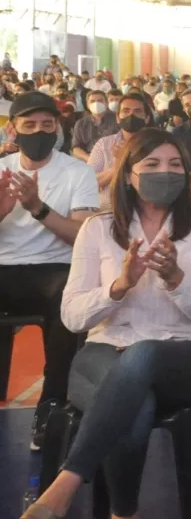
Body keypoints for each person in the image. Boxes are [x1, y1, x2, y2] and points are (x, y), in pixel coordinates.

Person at [24, 129, 191, 519]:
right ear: (129, 174)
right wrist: (119, 287)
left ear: (187, 174)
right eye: (151, 164)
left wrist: (176, 279)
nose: (164, 172)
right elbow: (71, 315)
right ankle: (123, 514)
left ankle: (66, 484)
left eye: (174, 165)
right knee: (136, 404)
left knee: (145, 352)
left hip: (185, 355)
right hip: (104, 351)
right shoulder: (97, 228)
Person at [0, 92, 99, 450]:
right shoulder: (1, 169)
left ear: (57, 127)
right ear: (14, 129)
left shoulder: (78, 172)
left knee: (68, 299)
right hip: (5, 268)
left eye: (46, 125)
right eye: (30, 125)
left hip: (56, 268)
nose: (39, 132)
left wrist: (37, 207)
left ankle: (53, 404)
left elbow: (83, 237)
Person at [88, 92, 152, 210]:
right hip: (108, 211)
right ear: (118, 118)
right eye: (126, 111)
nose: (131, 115)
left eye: (137, 111)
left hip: (145, 211)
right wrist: (118, 165)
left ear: (147, 118)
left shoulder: (156, 145)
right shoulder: (104, 144)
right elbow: (89, 183)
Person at [71, 88, 118, 164]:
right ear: (88, 105)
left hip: (112, 160)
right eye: (92, 101)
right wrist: (89, 159)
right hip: (88, 160)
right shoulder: (81, 123)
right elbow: (76, 148)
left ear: (106, 103)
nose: (96, 104)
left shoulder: (117, 120)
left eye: (100, 101)